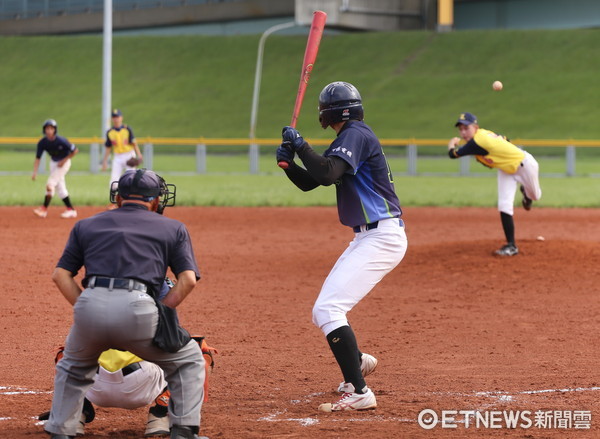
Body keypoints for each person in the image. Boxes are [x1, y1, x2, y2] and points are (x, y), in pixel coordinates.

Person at [44, 169, 207, 439]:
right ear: (155, 201)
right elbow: (187, 280)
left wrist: (84, 305)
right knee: (189, 360)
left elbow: (60, 275)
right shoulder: (172, 227)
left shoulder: (86, 224)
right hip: (139, 305)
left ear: (118, 197)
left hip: (91, 302)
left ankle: (61, 430)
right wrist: (163, 310)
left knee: (72, 366)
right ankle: (183, 430)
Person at [276, 81, 408, 412]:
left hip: (381, 237)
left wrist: (301, 145)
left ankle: (361, 393)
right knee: (326, 307)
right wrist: (290, 165)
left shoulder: (355, 135)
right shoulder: (350, 138)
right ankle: (356, 364)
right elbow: (313, 180)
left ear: (327, 113)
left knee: (327, 310)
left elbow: (325, 172)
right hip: (369, 236)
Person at [40, 332, 218, 437]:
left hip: (94, 386)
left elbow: (68, 356)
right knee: (195, 354)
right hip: (141, 385)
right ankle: (161, 414)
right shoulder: (152, 313)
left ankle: (74, 412)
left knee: (65, 354)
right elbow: (193, 348)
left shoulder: (92, 310)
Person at [448, 112, 542, 256]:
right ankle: (511, 245)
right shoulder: (484, 134)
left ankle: (527, 193)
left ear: (475, 127)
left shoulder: (477, 142)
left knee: (535, 196)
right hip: (505, 169)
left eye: (466, 128)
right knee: (504, 205)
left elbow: (453, 155)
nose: (463, 132)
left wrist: (451, 145)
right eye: (460, 129)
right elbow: (505, 138)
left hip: (525, 165)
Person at [32, 119, 78, 219]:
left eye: (51, 128)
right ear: (44, 130)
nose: (49, 131)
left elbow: (75, 150)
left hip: (64, 163)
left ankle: (43, 209)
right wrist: (34, 172)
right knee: (60, 188)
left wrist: (64, 160)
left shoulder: (61, 140)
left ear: (55, 130)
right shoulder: (42, 142)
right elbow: (38, 158)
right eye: (47, 128)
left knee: (50, 184)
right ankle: (71, 210)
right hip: (54, 163)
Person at [101, 108, 143, 188]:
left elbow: (134, 143)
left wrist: (139, 154)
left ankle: (131, 198)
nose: (116, 119)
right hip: (118, 156)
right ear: (112, 119)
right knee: (114, 182)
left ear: (121, 118)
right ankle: (115, 199)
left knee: (130, 178)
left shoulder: (127, 129)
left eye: (117, 117)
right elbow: (108, 147)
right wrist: (105, 161)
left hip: (129, 155)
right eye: (114, 117)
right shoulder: (110, 132)